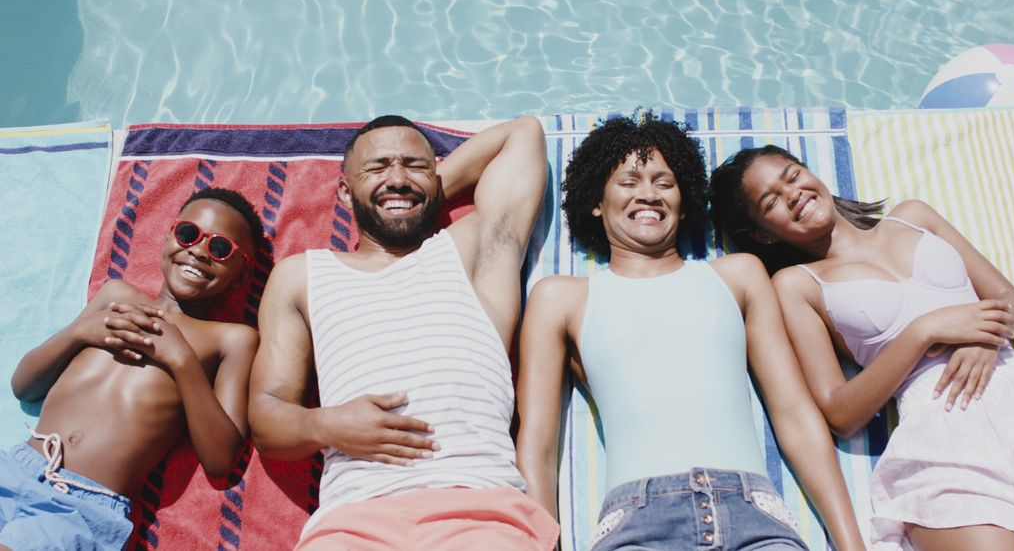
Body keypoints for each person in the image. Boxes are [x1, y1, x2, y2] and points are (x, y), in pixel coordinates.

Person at [515, 116, 865, 551]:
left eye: (665, 183)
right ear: (596, 202)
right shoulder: (561, 298)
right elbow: (539, 444)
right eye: (628, 182)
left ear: (684, 203)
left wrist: (851, 543)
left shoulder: (738, 275)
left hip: (754, 517)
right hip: (639, 525)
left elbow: (793, 412)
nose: (648, 193)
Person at [708, 144, 1014, 550]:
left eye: (793, 176)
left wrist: (987, 336)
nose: (792, 193)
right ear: (763, 232)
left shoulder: (914, 217)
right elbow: (840, 412)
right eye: (771, 200)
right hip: (940, 438)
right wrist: (923, 331)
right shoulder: (797, 285)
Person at [248, 115, 559, 550]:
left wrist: (413, 192)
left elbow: (523, 134)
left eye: (415, 165)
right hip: (353, 522)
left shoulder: (471, 252)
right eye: (376, 168)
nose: (396, 178)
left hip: (479, 512)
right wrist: (327, 425)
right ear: (343, 190)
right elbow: (266, 416)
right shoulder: (301, 275)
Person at [3, 188, 262, 550]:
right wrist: (79, 332)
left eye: (221, 249)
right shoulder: (116, 297)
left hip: (82, 507)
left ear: (240, 277)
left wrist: (181, 359)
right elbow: (23, 385)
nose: (199, 251)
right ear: (168, 238)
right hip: (15, 468)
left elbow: (220, 458)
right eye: (189, 234)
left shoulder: (231, 340)